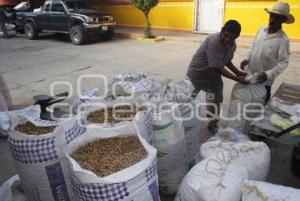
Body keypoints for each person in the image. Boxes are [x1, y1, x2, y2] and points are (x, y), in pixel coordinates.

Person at [187, 20, 248, 133]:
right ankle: (181, 120)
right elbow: (218, 67)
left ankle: (212, 124)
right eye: (225, 35)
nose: (227, 40)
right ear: (222, 30)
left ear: (237, 37)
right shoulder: (214, 42)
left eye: (231, 38)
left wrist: (238, 72)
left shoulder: (232, 44)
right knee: (187, 99)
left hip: (213, 78)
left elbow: (226, 60)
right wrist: (236, 78)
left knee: (214, 101)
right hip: (197, 74)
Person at [240, 1, 294, 104]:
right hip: (249, 75)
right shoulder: (261, 29)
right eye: (272, 16)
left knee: (259, 112)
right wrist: (247, 59)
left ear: (283, 20)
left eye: (277, 18)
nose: (272, 20)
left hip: (263, 83)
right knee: (245, 106)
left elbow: (283, 62)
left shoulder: (283, 40)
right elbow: (254, 45)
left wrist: (268, 74)